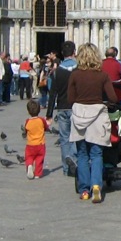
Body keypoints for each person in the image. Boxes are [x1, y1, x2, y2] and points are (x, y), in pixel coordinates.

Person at [67, 43, 119, 203]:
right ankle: (96, 185)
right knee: (96, 154)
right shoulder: (102, 75)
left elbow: (70, 99)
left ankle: (84, 190)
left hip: (79, 115)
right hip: (97, 116)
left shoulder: (74, 75)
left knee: (82, 154)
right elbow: (113, 98)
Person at [45, 41, 78, 178]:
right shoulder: (79, 70)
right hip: (76, 107)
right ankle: (74, 162)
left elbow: (52, 94)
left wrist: (49, 114)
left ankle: (66, 168)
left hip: (62, 107)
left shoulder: (57, 72)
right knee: (77, 137)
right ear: (74, 52)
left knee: (64, 138)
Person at [21, 100, 50, 179]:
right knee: (39, 159)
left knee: (29, 157)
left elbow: (25, 131)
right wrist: (48, 123)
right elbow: (46, 128)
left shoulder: (28, 121)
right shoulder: (41, 120)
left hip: (30, 144)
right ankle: (37, 174)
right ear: (39, 110)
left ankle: (30, 165)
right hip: (40, 144)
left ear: (28, 111)